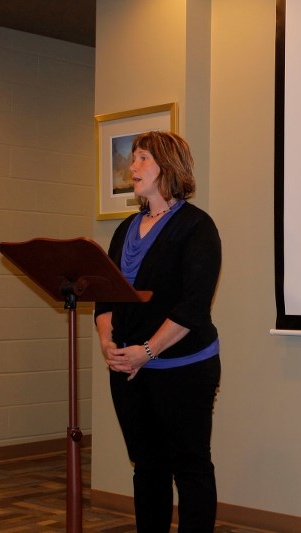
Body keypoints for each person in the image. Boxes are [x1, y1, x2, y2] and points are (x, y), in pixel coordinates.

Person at [95, 131, 221, 533]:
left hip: (184, 369)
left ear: (168, 165)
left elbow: (193, 306)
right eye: (133, 158)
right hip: (129, 371)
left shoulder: (197, 227)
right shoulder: (124, 230)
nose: (132, 166)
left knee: (190, 467)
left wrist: (146, 351)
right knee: (147, 467)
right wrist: (107, 343)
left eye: (142, 158)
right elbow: (104, 298)